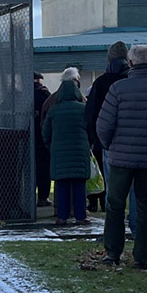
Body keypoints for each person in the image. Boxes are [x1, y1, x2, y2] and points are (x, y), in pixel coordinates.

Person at [96, 44, 147, 269]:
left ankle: (113, 252)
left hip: (121, 157)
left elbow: (104, 125)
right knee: (146, 207)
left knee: (115, 205)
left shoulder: (118, 89)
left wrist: (111, 145)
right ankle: (142, 256)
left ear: (130, 63)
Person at [84, 42, 131, 213]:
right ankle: (137, 225)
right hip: (134, 140)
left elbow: (91, 114)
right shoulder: (133, 80)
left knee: (110, 183)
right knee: (139, 190)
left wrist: (94, 138)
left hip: (108, 140)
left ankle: (112, 224)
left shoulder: (101, 83)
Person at [42, 68, 91, 225]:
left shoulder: (54, 110)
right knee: (79, 185)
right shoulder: (84, 109)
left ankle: (61, 216)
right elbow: (91, 129)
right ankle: (81, 215)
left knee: (62, 185)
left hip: (59, 153)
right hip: (80, 153)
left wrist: (51, 146)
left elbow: (45, 132)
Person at [33, 72, 53, 207]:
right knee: (43, 168)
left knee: (27, 168)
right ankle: (42, 197)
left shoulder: (20, 95)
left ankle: (26, 197)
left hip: (26, 135)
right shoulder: (44, 94)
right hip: (42, 136)